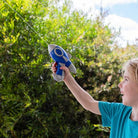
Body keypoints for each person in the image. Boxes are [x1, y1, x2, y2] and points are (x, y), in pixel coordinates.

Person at [52, 58, 138, 138]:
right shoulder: (119, 111)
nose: (120, 85)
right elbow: (89, 103)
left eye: (126, 79)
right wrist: (67, 77)